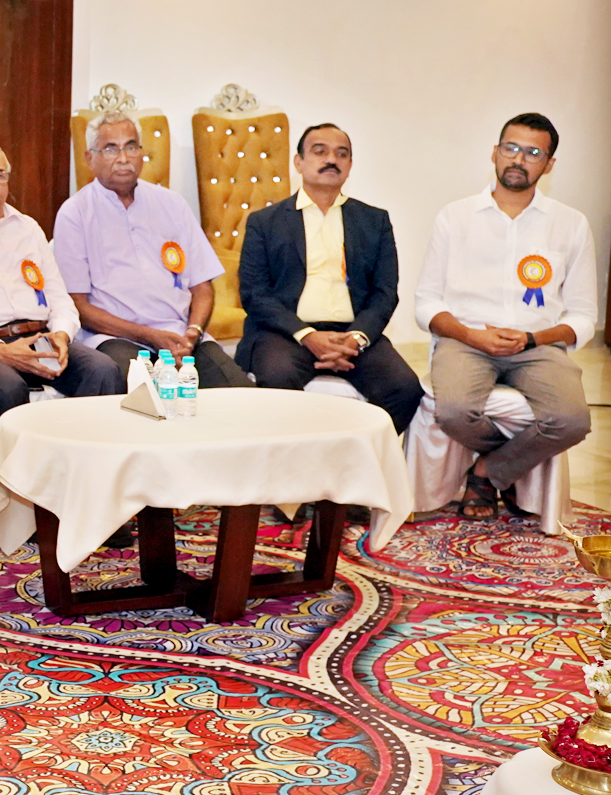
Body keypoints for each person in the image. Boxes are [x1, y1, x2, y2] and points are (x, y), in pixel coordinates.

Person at [414, 112, 595, 519]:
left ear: (549, 164)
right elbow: (426, 303)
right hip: (465, 341)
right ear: (494, 152)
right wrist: (471, 336)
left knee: (571, 421)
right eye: (511, 148)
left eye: (533, 153)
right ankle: (511, 468)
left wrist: (533, 339)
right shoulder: (454, 216)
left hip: (538, 346)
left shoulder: (571, 224)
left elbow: (583, 316)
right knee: (452, 412)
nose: (518, 159)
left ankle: (486, 472)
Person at [0, 140, 122, 423]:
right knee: (8, 386)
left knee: (102, 370)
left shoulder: (28, 228)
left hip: (39, 338)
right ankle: (13, 454)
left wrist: (61, 335)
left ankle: (85, 450)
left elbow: (59, 297)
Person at [236, 124, 422, 432]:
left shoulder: (374, 221)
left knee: (405, 389)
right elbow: (254, 293)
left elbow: (385, 292)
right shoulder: (265, 222)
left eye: (341, 154)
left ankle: (356, 456)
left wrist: (356, 338)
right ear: (299, 162)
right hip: (287, 334)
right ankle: (298, 458)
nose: (331, 159)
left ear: (350, 165)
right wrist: (307, 335)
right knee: (277, 378)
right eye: (319, 151)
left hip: (353, 334)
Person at [52, 111, 253, 389]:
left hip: (180, 337)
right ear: (90, 158)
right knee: (145, 399)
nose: (123, 158)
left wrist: (193, 332)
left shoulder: (172, 204)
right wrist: (150, 336)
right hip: (116, 339)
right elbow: (79, 305)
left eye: (131, 146)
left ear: (142, 152)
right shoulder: (75, 213)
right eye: (111, 148)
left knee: (239, 393)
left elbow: (202, 288)